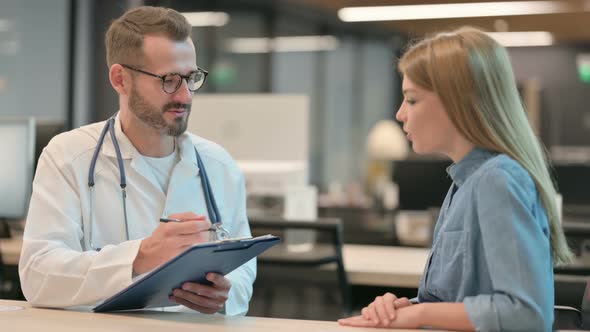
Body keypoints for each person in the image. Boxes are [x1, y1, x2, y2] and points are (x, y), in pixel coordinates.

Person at [19, 6, 255, 315]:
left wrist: (226, 292)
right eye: (169, 79)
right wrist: (140, 257)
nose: (185, 96)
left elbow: (243, 270)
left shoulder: (218, 165)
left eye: (191, 77)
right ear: (120, 79)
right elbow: (38, 274)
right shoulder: (69, 156)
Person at [338, 27, 572, 331]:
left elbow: (527, 314)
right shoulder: (465, 181)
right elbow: (467, 299)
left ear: (455, 102)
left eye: (411, 100)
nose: (399, 114)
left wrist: (420, 315)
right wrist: (406, 307)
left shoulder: (497, 180)